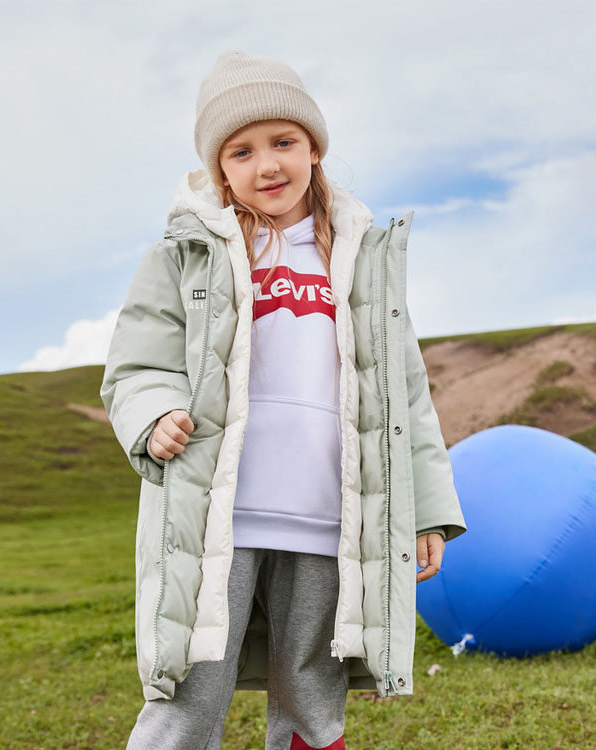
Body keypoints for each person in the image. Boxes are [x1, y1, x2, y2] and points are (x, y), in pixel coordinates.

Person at [100, 50, 467, 750]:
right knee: (189, 691)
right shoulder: (183, 255)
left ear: (314, 148)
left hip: (328, 520)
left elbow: (405, 400)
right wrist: (154, 414)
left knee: (312, 695)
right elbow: (136, 364)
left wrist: (424, 510)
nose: (267, 165)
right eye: (242, 151)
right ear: (219, 168)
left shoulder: (362, 262)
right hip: (217, 523)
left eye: (283, 142)